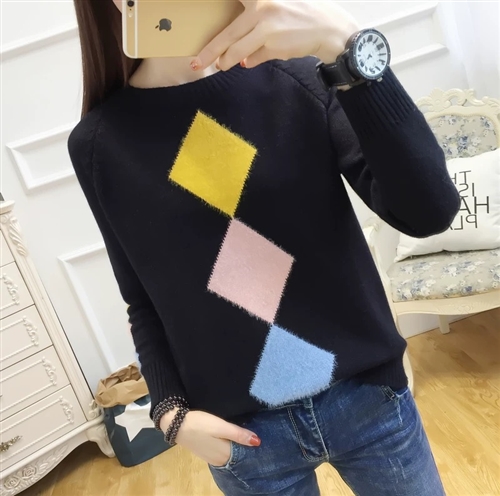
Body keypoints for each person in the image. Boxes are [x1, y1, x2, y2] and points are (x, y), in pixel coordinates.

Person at [69, 1, 459, 494]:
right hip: (245, 441)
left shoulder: (298, 78)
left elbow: (429, 211)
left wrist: (348, 46)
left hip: (368, 400)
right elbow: (142, 299)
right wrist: (170, 415)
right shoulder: (100, 144)